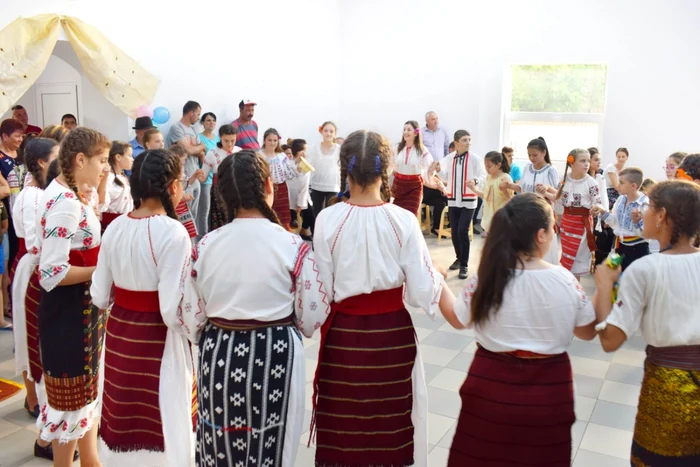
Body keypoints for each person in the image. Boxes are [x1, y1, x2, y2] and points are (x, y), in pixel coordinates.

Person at [179, 150, 329, 466]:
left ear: (222, 195)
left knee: (221, 442)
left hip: (220, 351)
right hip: (276, 350)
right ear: (267, 185)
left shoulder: (206, 245)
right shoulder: (292, 246)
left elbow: (191, 318)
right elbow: (312, 317)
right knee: (271, 445)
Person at [311, 129, 451, 467]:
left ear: (346, 169)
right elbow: (420, 292)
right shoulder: (402, 219)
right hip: (392, 336)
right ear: (386, 171)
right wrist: (438, 276)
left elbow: (323, 290)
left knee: (345, 421)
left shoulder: (327, 219)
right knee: (392, 419)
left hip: (343, 336)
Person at [439, 193, 596, 466]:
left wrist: (438, 281)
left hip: (490, 387)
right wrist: (605, 288)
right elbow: (586, 331)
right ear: (541, 235)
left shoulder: (488, 275)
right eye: (552, 226)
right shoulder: (564, 280)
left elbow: (457, 318)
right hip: (549, 391)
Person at [91, 149, 195, 466]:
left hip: (121, 336)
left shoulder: (116, 228)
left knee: (122, 411)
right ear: (174, 186)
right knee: (166, 418)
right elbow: (171, 310)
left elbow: (98, 295)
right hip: (159, 342)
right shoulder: (173, 232)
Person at [593, 180, 700, 465]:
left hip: (668, 390)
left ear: (662, 215)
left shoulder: (645, 269)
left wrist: (604, 285)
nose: (644, 213)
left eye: (649, 207)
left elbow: (610, 340)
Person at [36, 127, 110, 465]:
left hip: (80, 312)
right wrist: (103, 270)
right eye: (102, 161)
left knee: (84, 400)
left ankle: (91, 460)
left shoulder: (71, 193)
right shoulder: (65, 203)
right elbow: (52, 273)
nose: (104, 169)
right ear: (80, 160)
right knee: (70, 405)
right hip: (69, 317)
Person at [10, 137, 65, 461]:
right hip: (35, 270)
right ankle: (46, 422)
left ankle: (49, 418)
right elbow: (37, 242)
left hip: (40, 268)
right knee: (38, 347)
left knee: (43, 347)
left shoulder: (41, 191)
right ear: (43, 162)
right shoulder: (32, 195)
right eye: (58, 157)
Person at [541, 149, 604, 277]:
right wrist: (544, 192)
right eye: (582, 161)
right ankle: (569, 288)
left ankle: (576, 292)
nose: (587, 164)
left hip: (582, 226)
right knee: (567, 259)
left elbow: (598, 202)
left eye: (588, 160)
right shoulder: (566, 179)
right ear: (572, 163)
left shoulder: (591, 182)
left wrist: (595, 208)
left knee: (577, 261)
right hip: (567, 224)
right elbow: (559, 199)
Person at [500, 137, 561, 265]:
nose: (531, 158)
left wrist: (546, 189)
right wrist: (509, 185)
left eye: (535, 155)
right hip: (525, 213)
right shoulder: (527, 168)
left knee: (542, 248)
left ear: (544, 153)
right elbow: (522, 188)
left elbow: (558, 195)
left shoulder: (550, 170)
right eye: (529, 155)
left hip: (543, 214)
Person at [437, 130, 486, 279]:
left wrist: (475, 181)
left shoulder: (475, 159)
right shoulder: (449, 158)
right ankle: (459, 258)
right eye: (465, 140)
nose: (468, 143)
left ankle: (464, 264)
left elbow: (483, 175)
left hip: (469, 199)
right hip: (453, 199)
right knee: (454, 231)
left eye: (469, 140)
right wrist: (438, 171)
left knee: (462, 230)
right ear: (457, 143)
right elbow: (445, 176)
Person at [600, 167, 649, 271]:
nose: (618, 185)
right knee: (614, 278)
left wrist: (637, 222)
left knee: (633, 282)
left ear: (633, 186)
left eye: (621, 183)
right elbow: (615, 223)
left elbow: (648, 233)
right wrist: (603, 212)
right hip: (619, 246)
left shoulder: (644, 205)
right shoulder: (621, 199)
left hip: (637, 249)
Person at [167, 101, 206, 222]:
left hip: (195, 175)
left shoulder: (194, 130)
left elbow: (201, 152)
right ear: (191, 113)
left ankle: (193, 240)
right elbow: (188, 150)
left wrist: (198, 149)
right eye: (198, 114)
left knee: (194, 213)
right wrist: (200, 147)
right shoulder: (176, 128)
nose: (199, 118)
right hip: (183, 178)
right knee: (184, 214)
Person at [200, 124, 240, 232]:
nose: (230, 144)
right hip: (220, 193)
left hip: (238, 192)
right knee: (221, 223)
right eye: (226, 141)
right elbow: (203, 178)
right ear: (220, 138)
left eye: (233, 140)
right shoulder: (212, 153)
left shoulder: (240, 151)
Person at [261, 128, 301, 228]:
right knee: (267, 213)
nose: (272, 143)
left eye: (275, 140)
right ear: (264, 140)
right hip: (265, 188)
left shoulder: (281, 156)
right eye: (269, 140)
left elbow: (289, 173)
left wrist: (298, 168)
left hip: (281, 188)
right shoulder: (259, 155)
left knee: (282, 216)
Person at [467, 151, 513, 235]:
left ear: (498, 165)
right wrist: (473, 189)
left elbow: (510, 201)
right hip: (489, 217)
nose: (487, 169)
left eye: (489, 166)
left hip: (501, 218)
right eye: (485, 166)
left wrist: (505, 191)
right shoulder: (489, 178)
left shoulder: (505, 178)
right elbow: (485, 196)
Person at [0, 119, 25, 275]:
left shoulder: (22, 154)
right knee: (12, 250)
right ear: (4, 136)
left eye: (22, 136)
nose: (20, 139)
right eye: (17, 136)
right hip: (8, 212)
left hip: (25, 207)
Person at [392, 120, 432, 216]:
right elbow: (390, 165)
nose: (405, 132)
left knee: (411, 216)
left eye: (409, 130)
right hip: (398, 186)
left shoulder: (422, 150)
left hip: (414, 187)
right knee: (396, 215)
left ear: (416, 133)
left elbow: (429, 168)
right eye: (404, 129)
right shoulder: (397, 147)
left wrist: (432, 177)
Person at [306, 121, 341, 220]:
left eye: (331, 131)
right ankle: (317, 235)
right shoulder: (314, 148)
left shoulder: (340, 149)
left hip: (333, 186)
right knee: (317, 215)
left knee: (331, 215)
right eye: (326, 130)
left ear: (335, 134)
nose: (328, 133)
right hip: (317, 186)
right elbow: (307, 164)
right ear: (321, 132)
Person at [99, 141, 134, 232]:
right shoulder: (109, 178)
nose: (132, 159)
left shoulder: (122, 177)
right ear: (118, 157)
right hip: (111, 223)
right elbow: (102, 203)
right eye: (129, 156)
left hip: (125, 222)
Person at [169, 145, 200, 239]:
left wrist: (194, 177)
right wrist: (182, 197)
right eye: (183, 160)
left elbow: (184, 183)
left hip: (183, 209)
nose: (184, 162)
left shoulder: (181, 171)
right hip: (176, 208)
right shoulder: (170, 173)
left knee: (187, 230)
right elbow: (173, 191)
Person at [197, 112, 218, 237]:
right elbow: (202, 158)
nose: (211, 123)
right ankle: (203, 237)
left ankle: (212, 234)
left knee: (214, 210)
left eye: (213, 120)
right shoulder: (199, 138)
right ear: (203, 123)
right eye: (208, 120)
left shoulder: (218, 139)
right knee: (204, 211)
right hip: (205, 178)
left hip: (216, 178)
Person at [287, 138, 314, 239]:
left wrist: (301, 203)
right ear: (299, 151)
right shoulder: (288, 163)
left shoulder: (305, 164)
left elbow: (304, 185)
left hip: (303, 196)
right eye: (304, 150)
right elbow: (289, 178)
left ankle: (304, 231)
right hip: (289, 196)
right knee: (290, 221)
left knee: (311, 216)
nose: (306, 153)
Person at [588, 147, 610, 266]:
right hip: (589, 212)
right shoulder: (584, 179)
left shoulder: (600, 177)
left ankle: (601, 264)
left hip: (600, 212)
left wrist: (605, 216)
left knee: (610, 232)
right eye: (596, 160)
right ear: (589, 161)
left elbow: (604, 198)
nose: (599, 162)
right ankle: (598, 264)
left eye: (599, 160)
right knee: (603, 235)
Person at [639, 178, 660, 253]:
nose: (654, 191)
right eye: (652, 188)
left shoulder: (650, 199)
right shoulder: (642, 199)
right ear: (644, 188)